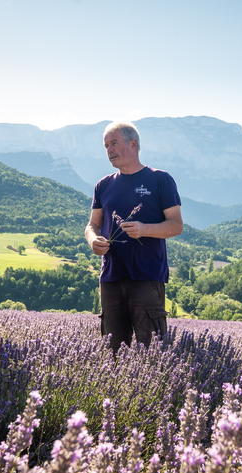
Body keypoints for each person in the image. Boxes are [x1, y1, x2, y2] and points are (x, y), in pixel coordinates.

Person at [85, 122, 183, 352]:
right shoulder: (103, 185)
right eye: (106, 146)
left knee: (152, 350)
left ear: (133, 144)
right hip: (111, 277)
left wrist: (144, 229)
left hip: (147, 277)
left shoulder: (160, 180)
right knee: (112, 351)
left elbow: (176, 225)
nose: (109, 150)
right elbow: (92, 225)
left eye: (114, 143)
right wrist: (93, 240)